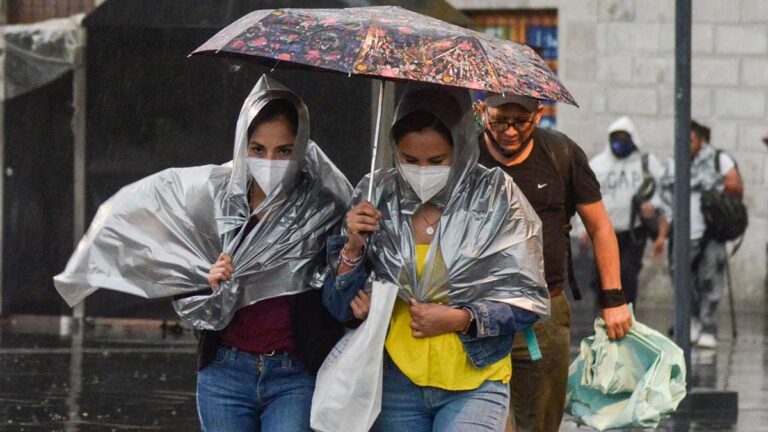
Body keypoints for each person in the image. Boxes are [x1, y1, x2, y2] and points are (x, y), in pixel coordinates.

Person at [323, 86, 550, 432]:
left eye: (437, 161)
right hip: (398, 380)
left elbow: (526, 300)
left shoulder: (495, 196)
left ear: (459, 150)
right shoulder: (375, 196)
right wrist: (353, 249)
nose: (422, 170)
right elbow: (337, 305)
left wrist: (460, 319)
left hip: (475, 379)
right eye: (409, 160)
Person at [195, 76, 351, 431]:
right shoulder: (219, 203)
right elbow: (185, 286)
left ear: (301, 148)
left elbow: (338, 296)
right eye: (258, 149)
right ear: (242, 147)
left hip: (293, 374)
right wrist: (207, 280)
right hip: (224, 372)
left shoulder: (323, 207)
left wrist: (353, 251)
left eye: (284, 150)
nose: (270, 160)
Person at [475, 94, 633, 432]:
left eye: (521, 121)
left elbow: (600, 226)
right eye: (500, 120)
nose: (510, 131)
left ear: (539, 115)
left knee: (540, 420)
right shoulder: (464, 155)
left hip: (542, 309)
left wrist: (614, 299)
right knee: (483, 420)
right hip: (476, 310)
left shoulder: (561, 154)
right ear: (481, 111)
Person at [659, 120, 744, 349]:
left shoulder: (718, 160)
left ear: (701, 140)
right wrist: (661, 236)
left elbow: (736, 187)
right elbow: (665, 201)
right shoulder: (673, 164)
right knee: (683, 282)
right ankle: (692, 321)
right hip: (682, 234)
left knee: (709, 281)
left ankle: (708, 327)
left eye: (690, 141)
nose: (686, 145)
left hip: (710, 234)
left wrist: (715, 191)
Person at [578, 116, 669, 306]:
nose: (619, 142)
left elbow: (664, 190)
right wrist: (582, 227)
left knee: (627, 275)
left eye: (624, 137)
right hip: (603, 231)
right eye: (615, 137)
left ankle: (628, 317)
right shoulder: (598, 164)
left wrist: (652, 205)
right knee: (602, 277)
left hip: (633, 232)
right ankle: (603, 318)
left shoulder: (645, 163)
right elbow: (583, 197)